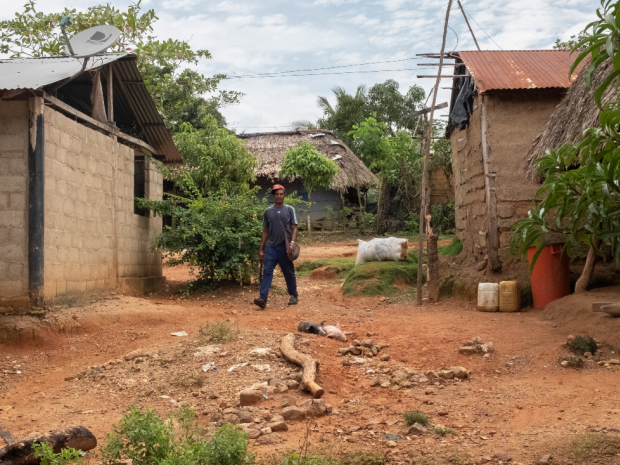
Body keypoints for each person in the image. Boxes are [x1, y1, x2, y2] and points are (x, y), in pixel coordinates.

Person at [254, 184, 299, 309]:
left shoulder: (289, 210)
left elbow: (294, 228)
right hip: (271, 248)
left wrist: (292, 243)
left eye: (281, 194)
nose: (279, 196)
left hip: (285, 247)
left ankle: (294, 295)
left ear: (284, 195)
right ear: (273, 195)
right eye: (277, 194)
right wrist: (261, 248)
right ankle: (262, 298)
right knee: (267, 272)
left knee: (288, 272)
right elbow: (265, 231)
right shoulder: (268, 212)